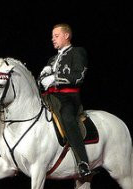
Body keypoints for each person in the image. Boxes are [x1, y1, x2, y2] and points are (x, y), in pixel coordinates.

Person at [39, 23, 91, 177]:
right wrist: (42, 76)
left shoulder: (77, 52)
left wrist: (55, 79)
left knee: (68, 118)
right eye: (52, 37)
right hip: (49, 97)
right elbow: (41, 83)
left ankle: (83, 162)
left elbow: (78, 77)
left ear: (66, 35)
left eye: (56, 36)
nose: (52, 39)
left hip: (68, 98)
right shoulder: (52, 59)